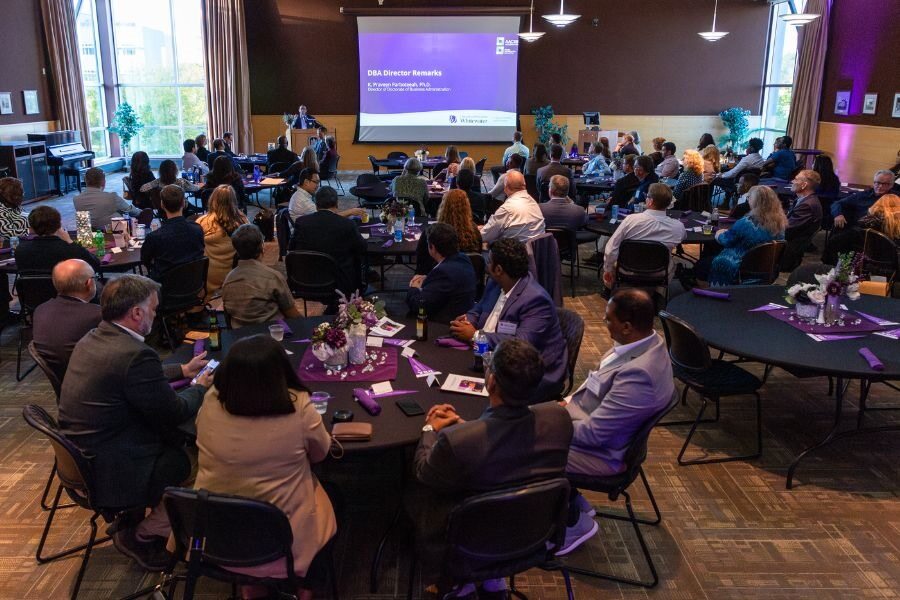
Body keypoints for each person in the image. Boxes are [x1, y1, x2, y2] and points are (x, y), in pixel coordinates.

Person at [59, 275, 211, 570]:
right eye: (153, 309)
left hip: (84, 458)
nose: (155, 315)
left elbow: (133, 374)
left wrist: (181, 369)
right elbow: (176, 411)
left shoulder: (93, 338)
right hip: (115, 468)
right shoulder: (134, 354)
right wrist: (201, 387)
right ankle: (142, 533)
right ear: (137, 313)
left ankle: (133, 518)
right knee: (199, 457)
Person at [411, 338, 572, 598]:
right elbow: (512, 447)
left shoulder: (457, 442)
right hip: (534, 534)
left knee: (414, 493)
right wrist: (469, 428)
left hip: (470, 543)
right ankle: (491, 580)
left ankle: (455, 580)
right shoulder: (558, 418)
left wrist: (430, 429)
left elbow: (423, 472)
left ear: (492, 381)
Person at [193, 335, 336, 600]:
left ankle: (253, 588)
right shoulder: (299, 407)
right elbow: (320, 454)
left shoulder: (210, 401)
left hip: (214, 534)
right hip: (281, 543)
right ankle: (305, 589)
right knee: (332, 497)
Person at [559, 288, 674, 555]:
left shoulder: (639, 375)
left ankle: (574, 523)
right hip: (597, 424)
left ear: (627, 326)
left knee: (523, 448)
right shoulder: (649, 342)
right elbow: (599, 384)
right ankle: (571, 498)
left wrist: (553, 421)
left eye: (608, 319)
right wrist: (566, 403)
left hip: (607, 454)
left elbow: (593, 435)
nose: (603, 321)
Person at [450, 238, 567, 403]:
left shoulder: (535, 300)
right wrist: (468, 319)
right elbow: (479, 308)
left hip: (529, 376)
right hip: (490, 358)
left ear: (498, 269)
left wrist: (476, 334)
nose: (486, 265)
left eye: (489, 261)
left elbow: (522, 344)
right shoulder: (496, 283)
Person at [289, 186, 367, 300]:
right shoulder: (347, 224)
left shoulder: (301, 223)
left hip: (305, 279)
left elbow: (292, 249)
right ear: (337, 203)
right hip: (340, 283)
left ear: (316, 204)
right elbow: (362, 248)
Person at [602, 183, 686, 289]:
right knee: (674, 263)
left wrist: (608, 269)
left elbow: (611, 249)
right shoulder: (678, 227)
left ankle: (614, 296)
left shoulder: (630, 220)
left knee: (610, 265)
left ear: (650, 201)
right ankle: (657, 294)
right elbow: (682, 238)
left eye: (647, 196)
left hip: (627, 270)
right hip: (659, 273)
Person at [32, 259, 102, 384]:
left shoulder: (40, 310)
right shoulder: (97, 315)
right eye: (95, 277)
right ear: (89, 283)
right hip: (93, 386)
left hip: (65, 385)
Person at [704, 186, 787, 285]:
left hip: (738, 266)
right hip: (766, 268)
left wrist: (719, 233)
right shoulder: (781, 223)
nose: (748, 200)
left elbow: (726, 240)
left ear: (755, 201)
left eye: (749, 197)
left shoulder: (746, 223)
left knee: (702, 264)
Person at [222, 224, 301, 327]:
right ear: (261, 246)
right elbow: (292, 315)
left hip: (240, 336)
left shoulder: (228, 280)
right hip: (271, 335)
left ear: (236, 250)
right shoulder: (273, 277)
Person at [407, 223, 476, 321]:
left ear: (432, 247)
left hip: (442, 325)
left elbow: (419, 306)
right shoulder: (463, 258)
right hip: (462, 314)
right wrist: (428, 279)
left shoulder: (444, 273)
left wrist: (414, 288)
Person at [141, 185, 205, 280]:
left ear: (162, 205)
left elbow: (145, 260)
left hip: (165, 287)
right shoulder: (197, 229)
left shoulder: (154, 237)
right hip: (194, 283)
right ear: (184, 203)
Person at [196, 185, 248, 300]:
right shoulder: (243, 220)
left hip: (210, 278)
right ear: (233, 201)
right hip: (236, 274)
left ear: (213, 199)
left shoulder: (202, 222)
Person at [415, 189, 482, 275]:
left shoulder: (431, 232)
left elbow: (421, 263)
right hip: (468, 281)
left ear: (443, 206)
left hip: (438, 281)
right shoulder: (474, 232)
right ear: (467, 206)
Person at [14, 206, 100, 273]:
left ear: (31, 227)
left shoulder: (20, 250)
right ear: (59, 225)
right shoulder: (70, 249)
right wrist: (70, 241)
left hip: (31, 294)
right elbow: (95, 264)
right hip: (67, 293)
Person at [823, 193, 900, 265]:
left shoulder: (867, 224)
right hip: (895, 265)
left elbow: (835, 241)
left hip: (868, 262)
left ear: (877, 206)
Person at [481, 171, 545, 243]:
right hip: (537, 251)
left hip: (515, 252)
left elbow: (484, 236)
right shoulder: (534, 203)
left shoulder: (507, 209)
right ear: (524, 185)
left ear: (505, 188)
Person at [74, 167, 141, 228]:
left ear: (85, 181)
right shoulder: (111, 197)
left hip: (87, 236)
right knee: (121, 214)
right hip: (112, 234)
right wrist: (141, 212)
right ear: (103, 182)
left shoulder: (76, 199)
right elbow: (131, 210)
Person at [830, 169, 895, 229]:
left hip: (884, 232)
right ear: (873, 183)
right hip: (859, 230)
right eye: (877, 183)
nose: (880, 186)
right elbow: (837, 203)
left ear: (891, 185)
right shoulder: (863, 195)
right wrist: (838, 215)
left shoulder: (896, 198)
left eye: (885, 184)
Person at [785, 169, 823, 239]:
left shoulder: (807, 205)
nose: (792, 181)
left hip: (787, 244)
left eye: (796, 179)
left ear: (804, 185)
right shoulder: (803, 199)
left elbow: (787, 229)